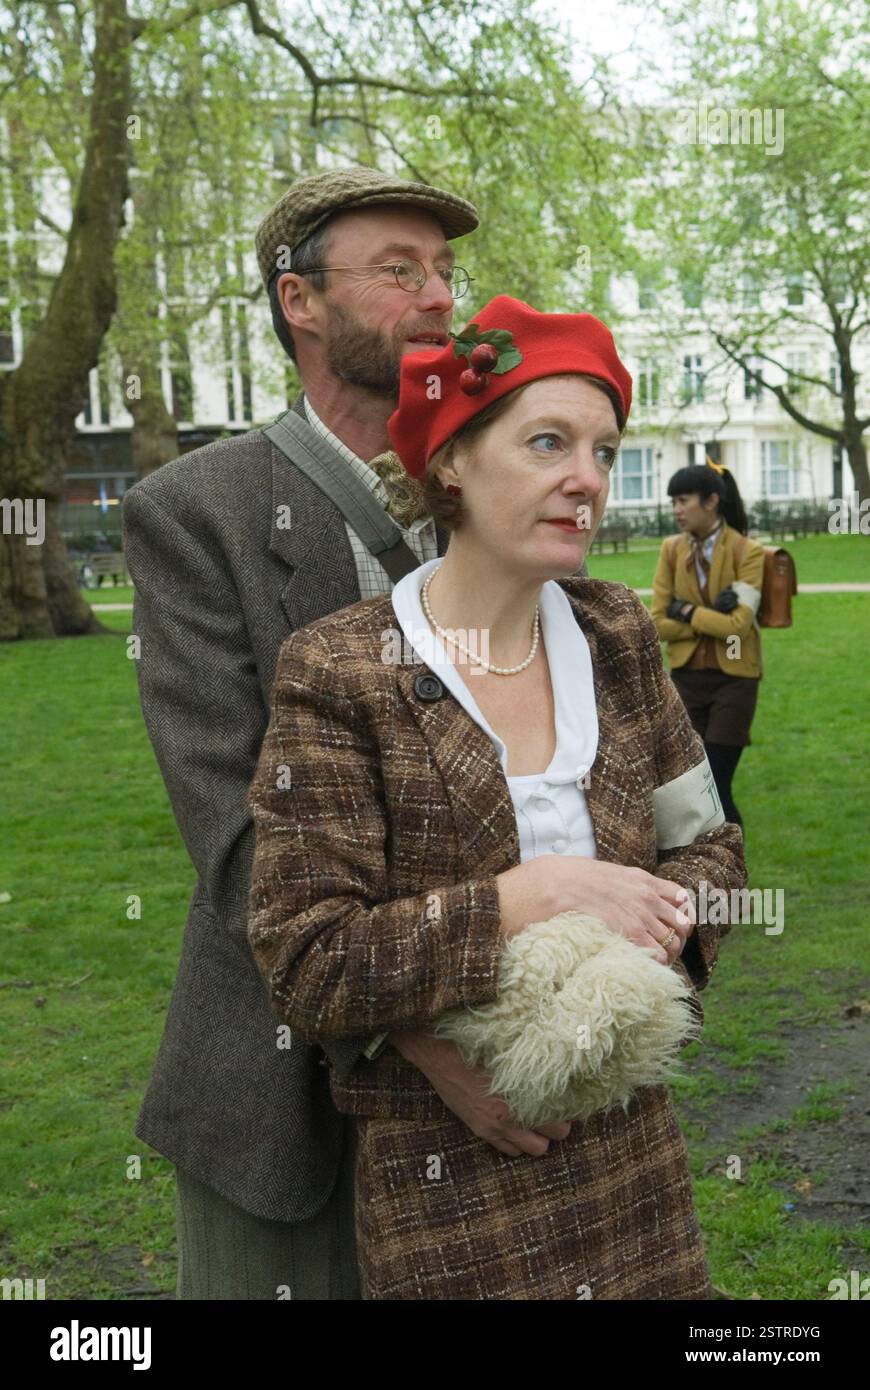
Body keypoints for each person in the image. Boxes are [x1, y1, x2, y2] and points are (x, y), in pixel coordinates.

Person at [246, 295, 747, 1300]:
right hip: (453, 1187)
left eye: (604, 451)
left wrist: (626, 972)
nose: (586, 480)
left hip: (631, 1153)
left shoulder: (616, 634)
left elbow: (715, 852)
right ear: (453, 464)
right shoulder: (342, 668)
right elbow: (307, 955)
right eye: (549, 442)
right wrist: (537, 898)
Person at [121, 165, 550, 1301]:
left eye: (447, 272)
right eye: (398, 270)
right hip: (288, 1089)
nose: (437, 297)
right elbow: (234, 833)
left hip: (516, 1060)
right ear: (299, 301)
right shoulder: (195, 510)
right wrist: (425, 1036)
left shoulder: (503, 481)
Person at [651, 461, 764, 828]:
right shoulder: (670, 551)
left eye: (683, 500)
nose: (676, 510)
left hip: (734, 681)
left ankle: (732, 876)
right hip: (685, 682)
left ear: (712, 500)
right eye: (673, 503)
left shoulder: (748, 552)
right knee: (688, 789)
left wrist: (685, 612)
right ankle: (701, 874)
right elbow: (657, 625)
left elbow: (738, 626)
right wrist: (707, 616)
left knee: (716, 785)